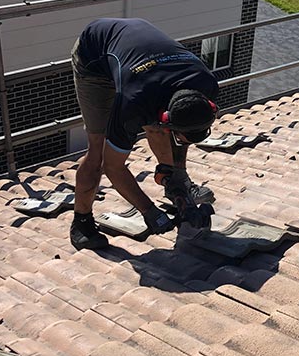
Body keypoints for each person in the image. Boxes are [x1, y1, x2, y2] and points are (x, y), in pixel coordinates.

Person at [69, 18, 219, 250]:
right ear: (167, 121)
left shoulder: (206, 84)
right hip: (94, 59)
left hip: (144, 68)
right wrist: (148, 210)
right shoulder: (132, 102)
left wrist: (177, 178)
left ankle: (177, 181)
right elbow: (113, 167)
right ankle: (81, 222)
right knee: (98, 151)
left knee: (157, 127)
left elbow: (182, 129)